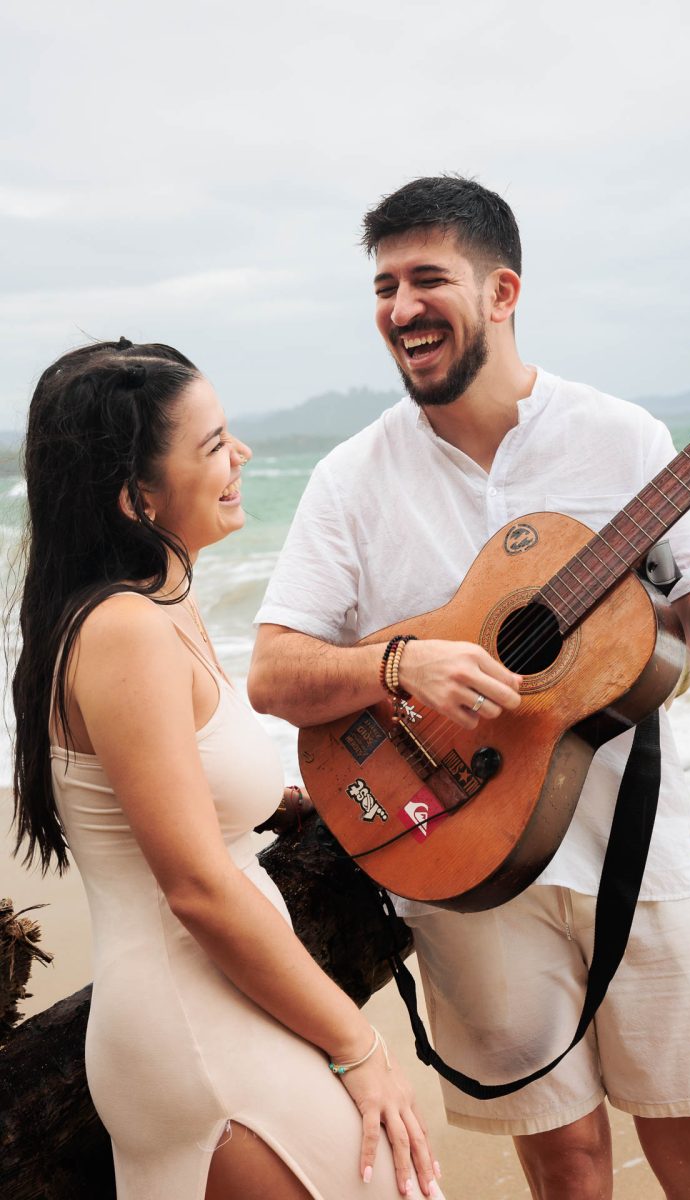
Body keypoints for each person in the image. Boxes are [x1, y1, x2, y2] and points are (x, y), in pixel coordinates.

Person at [248, 176, 690, 1199]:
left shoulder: (621, 438)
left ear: (501, 291)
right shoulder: (350, 479)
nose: (399, 307)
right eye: (382, 286)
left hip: (637, 859)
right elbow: (272, 672)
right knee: (564, 1169)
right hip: (464, 873)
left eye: (426, 279)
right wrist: (396, 663)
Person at [10, 338, 442, 1200]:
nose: (240, 455)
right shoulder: (125, 632)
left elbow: (172, 801)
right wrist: (360, 1048)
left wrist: (288, 806)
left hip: (213, 1005)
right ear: (137, 496)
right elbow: (197, 886)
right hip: (193, 1027)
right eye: (212, 445)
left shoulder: (152, 608)